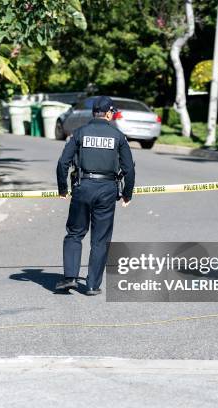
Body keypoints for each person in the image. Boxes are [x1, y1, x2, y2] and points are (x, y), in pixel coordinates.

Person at [55, 96, 135, 295]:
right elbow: (129, 169)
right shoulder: (118, 136)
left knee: (75, 233)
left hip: (82, 187)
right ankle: (92, 285)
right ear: (109, 113)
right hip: (107, 189)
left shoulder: (79, 133)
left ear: (93, 113)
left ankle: (70, 277)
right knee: (100, 239)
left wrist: (63, 189)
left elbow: (62, 163)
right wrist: (127, 194)